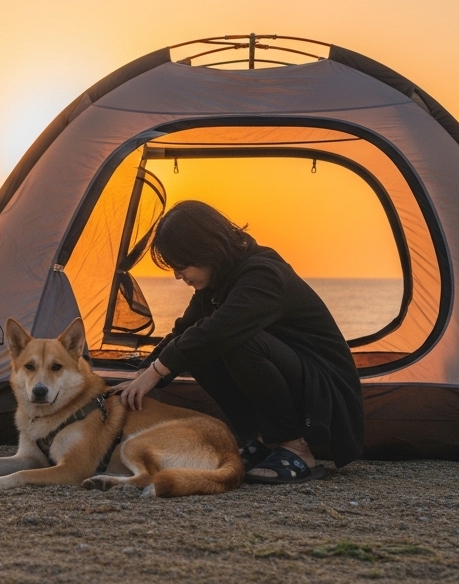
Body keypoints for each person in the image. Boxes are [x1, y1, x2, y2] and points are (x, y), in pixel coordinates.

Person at [113, 200, 364, 483]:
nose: (177, 275)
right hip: (297, 382)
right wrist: (143, 376)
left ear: (204, 249)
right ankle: (261, 440)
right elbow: (184, 333)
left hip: (326, 396)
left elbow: (218, 331)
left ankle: (297, 447)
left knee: (235, 341)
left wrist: (158, 370)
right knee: (196, 347)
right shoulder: (218, 280)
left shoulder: (263, 275)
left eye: (181, 265)